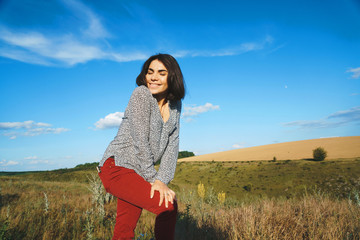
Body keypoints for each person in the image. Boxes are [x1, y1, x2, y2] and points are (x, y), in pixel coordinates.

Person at [97, 53, 185, 240]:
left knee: (124, 229)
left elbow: (173, 143)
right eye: (150, 72)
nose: (153, 77)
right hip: (118, 167)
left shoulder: (175, 105)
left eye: (161, 73)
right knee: (167, 206)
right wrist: (153, 179)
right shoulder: (141, 94)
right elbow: (140, 141)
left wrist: (163, 179)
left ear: (172, 77)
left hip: (139, 172)